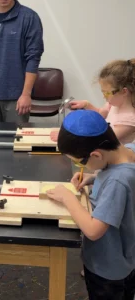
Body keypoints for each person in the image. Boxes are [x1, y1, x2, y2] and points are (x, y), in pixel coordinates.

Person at [46, 110, 135, 300]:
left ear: (96, 154)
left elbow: (94, 230)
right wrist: (93, 178)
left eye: (80, 163)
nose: (81, 167)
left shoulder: (117, 181)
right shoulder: (128, 151)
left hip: (108, 266)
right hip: (126, 259)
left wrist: (67, 198)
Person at [68, 59, 135, 144]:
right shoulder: (113, 104)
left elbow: (105, 139)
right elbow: (101, 114)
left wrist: (70, 136)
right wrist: (86, 104)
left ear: (123, 92)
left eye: (107, 93)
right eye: (103, 92)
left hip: (112, 156)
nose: (104, 97)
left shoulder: (129, 120)